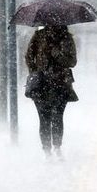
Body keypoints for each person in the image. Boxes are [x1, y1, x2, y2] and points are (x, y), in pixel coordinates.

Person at [25, 24, 78, 159]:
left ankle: (57, 147)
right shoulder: (39, 36)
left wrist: (57, 54)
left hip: (60, 83)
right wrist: (35, 71)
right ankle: (47, 150)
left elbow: (72, 62)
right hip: (41, 84)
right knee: (44, 118)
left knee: (57, 117)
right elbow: (29, 56)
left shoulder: (66, 38)